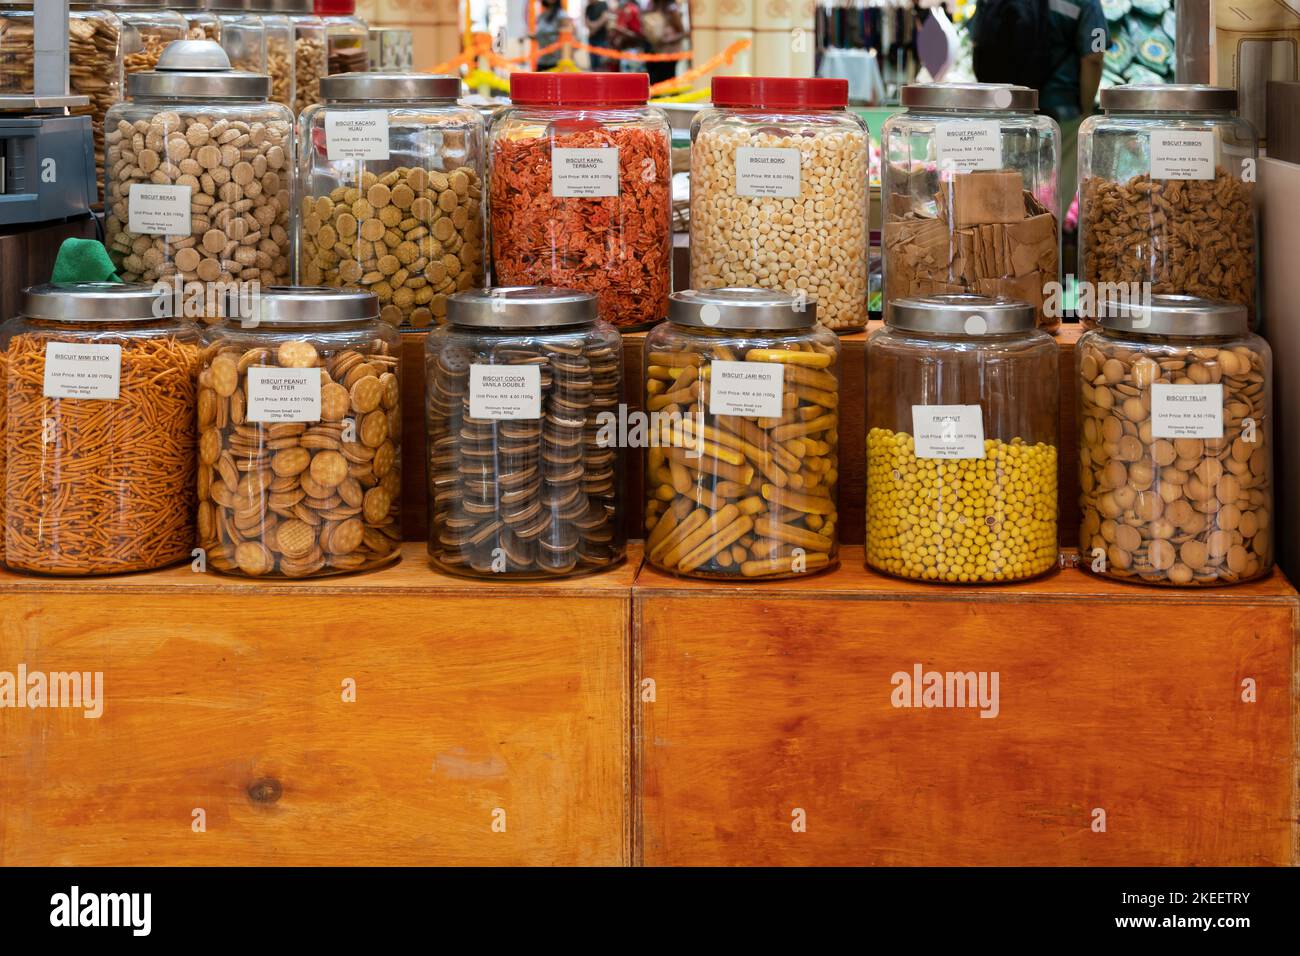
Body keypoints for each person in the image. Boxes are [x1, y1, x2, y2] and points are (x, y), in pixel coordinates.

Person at [971, 0, 1108, 213]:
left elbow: (977, 41)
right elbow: (1095, 55)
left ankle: (997, 239)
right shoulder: (1086, 3)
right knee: (1052, 198)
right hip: (1061, 109)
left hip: (1005, 108)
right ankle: (1046, 239)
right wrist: (1086, 108)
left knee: (1000, 192)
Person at [640, 0, 686, 87]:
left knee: (667, 81)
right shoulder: (651, 9)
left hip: (668, 54)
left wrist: (667, 40)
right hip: (655, 51)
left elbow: (683, 32)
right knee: (655, 80)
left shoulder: (671, 10)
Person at [532, 0, 572, 71]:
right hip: (542, 60)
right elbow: (540, 34)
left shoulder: (562, 15)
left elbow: (568, 35)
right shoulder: (542, 16)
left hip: (556, 61)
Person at [611, 0, 646, 72]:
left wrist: (621, 31)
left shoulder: (632, 10)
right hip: (623, 51)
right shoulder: (623, 9)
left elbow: (638, 35)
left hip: (632, 51)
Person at [585, 0, 615, 71]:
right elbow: (587, 21)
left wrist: (594, 28)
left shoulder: (603, 4)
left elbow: (605, 18)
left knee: (602, 63)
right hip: (592, 39)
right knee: (593, 63)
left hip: (602, 39)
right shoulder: (588, 7)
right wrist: (594, 27)